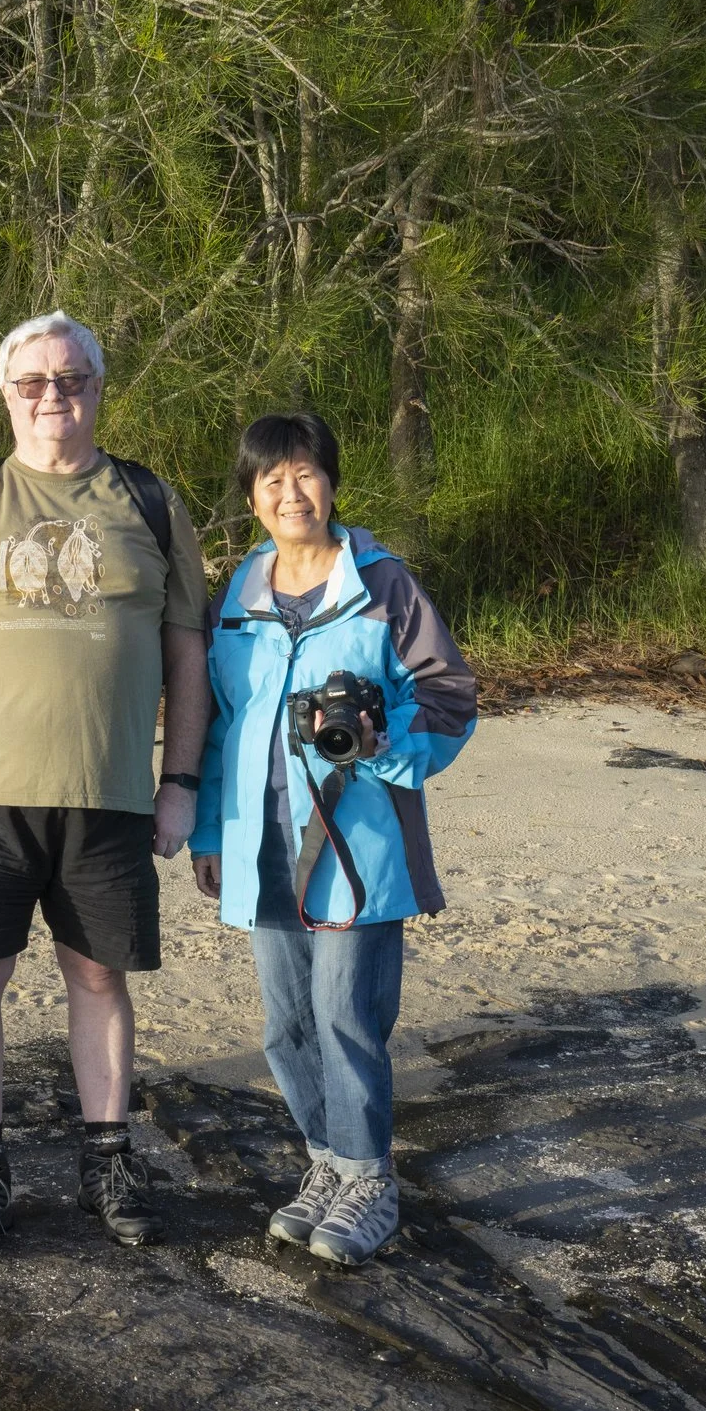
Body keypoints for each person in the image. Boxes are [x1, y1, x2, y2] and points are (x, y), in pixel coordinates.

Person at [0, 311, 211, 1258]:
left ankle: (109, 1162)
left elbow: (188, 652)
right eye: (33, 381)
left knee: (98, 976)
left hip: (109, 792)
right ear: (6, 394)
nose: (52, 395)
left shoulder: (150, 501)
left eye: (71, 378)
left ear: (98, 388)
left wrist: (180, 780)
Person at [188, 414, 476, 1265]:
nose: (292, 493)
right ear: (251, 498)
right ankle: (328, 1162)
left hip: (360, 849)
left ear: (333, 483)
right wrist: (208, 831)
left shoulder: (383, 586)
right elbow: (220, 724)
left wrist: (385, 744)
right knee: (286, 1024)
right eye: (272, 480)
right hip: (262, 844)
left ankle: (369, 1180)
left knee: (346, 1014)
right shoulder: (239, 595)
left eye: (306, 474)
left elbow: (450, 696)